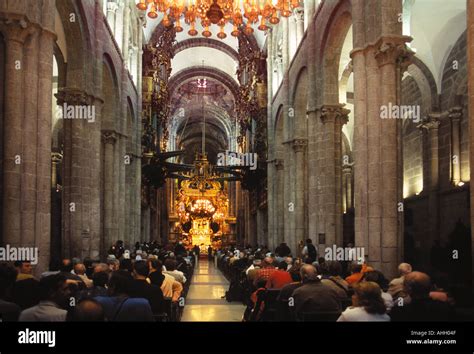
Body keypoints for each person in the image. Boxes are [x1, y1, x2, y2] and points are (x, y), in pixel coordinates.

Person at [390, 272, 455, 321]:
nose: (402, 287)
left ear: (409, 289)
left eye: (404, 285)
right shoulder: (444, 307)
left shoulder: (400, 310)